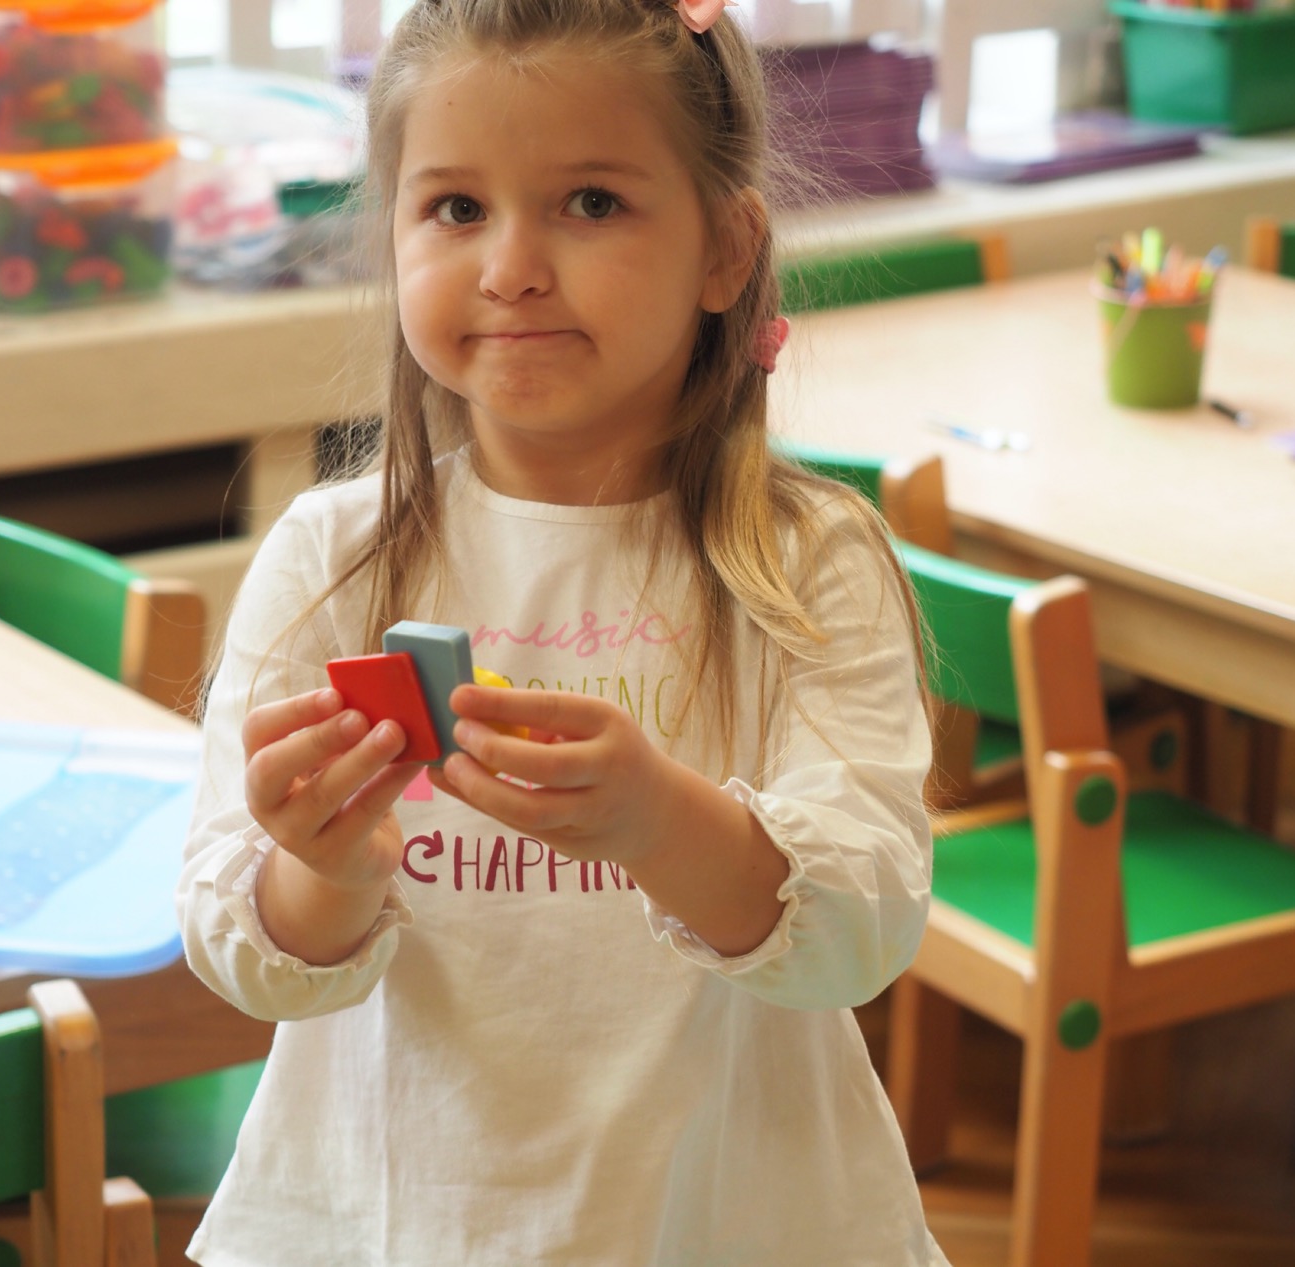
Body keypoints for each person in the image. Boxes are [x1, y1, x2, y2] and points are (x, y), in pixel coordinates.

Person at [177, 1, 945, 1261]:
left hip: (730, 1220)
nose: (510, 268)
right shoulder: (330, 559)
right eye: (455, 208)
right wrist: (329, 866)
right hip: (390, 1222)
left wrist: (656, 820)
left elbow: (861, 933)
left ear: (724, 250)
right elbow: (243, 956)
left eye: (590, 202)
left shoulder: (808, 561)